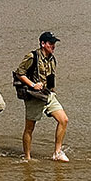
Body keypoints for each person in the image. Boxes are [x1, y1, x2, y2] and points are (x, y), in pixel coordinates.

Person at [15, 31, 70, 162]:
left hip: (48, 94)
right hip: (34, 96)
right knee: (29, 128)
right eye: (51, 43)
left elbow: (51, 77)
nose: (53, 46)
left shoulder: (52, 59)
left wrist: (52, 90)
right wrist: (33, 84)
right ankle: (27, 157)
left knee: (64, 120)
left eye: (54, 43)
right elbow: (19, 73)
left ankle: (57, 152)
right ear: (43, 43)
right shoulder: (32, 56)